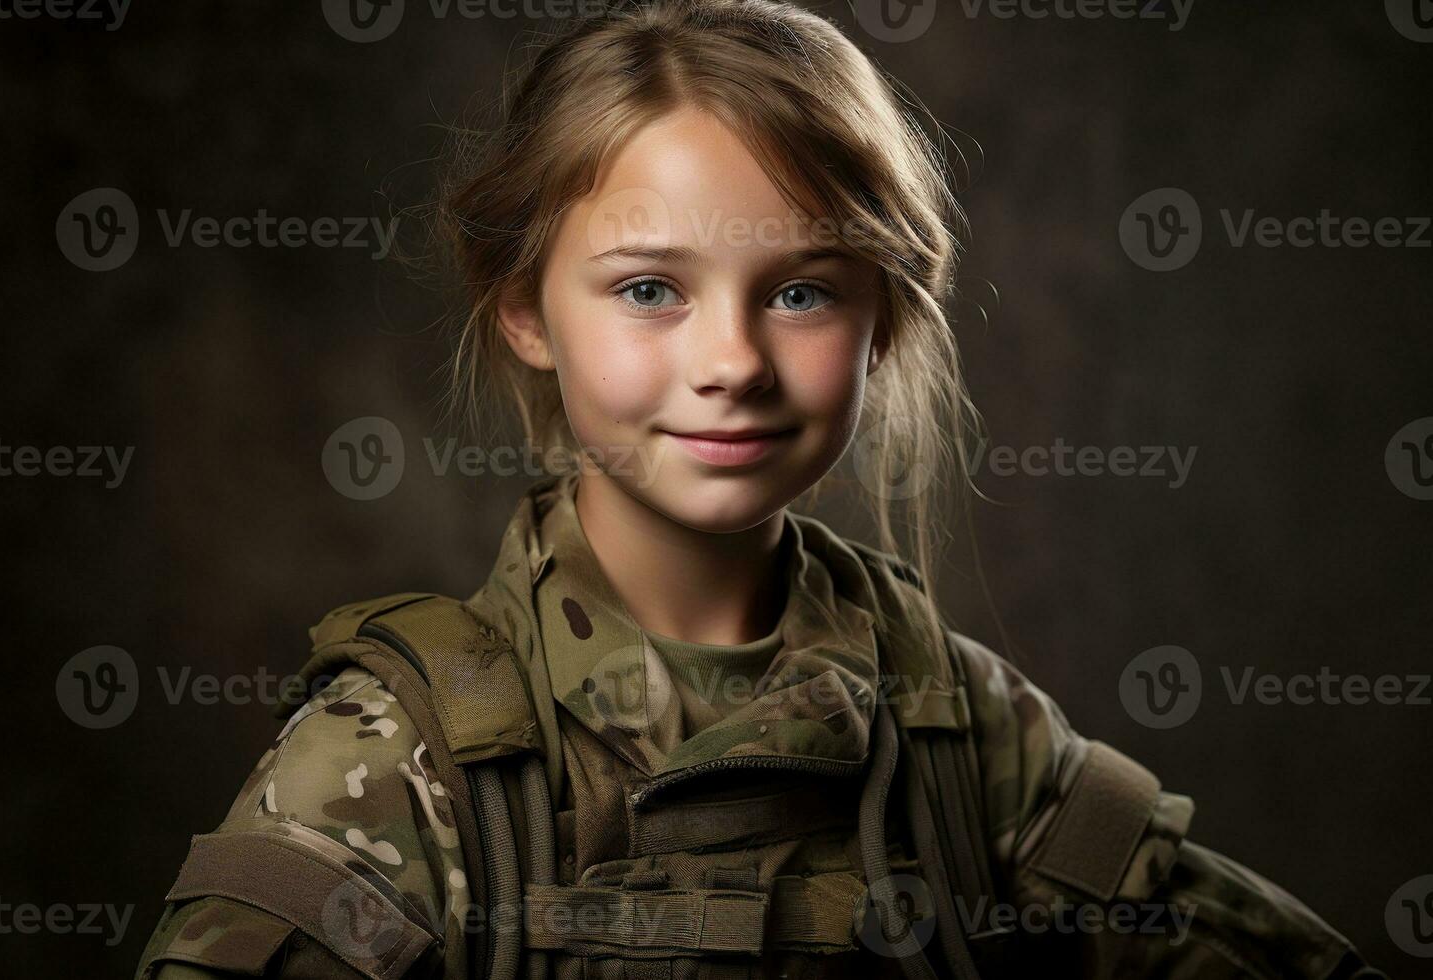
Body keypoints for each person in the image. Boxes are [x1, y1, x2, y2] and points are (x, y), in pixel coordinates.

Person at [135, 2, 1383, 977]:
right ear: (522, 309)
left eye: (801, 290)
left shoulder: (960, 731)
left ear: (882, 316)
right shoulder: (394, 764)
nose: (731, 362)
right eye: (647, 289)